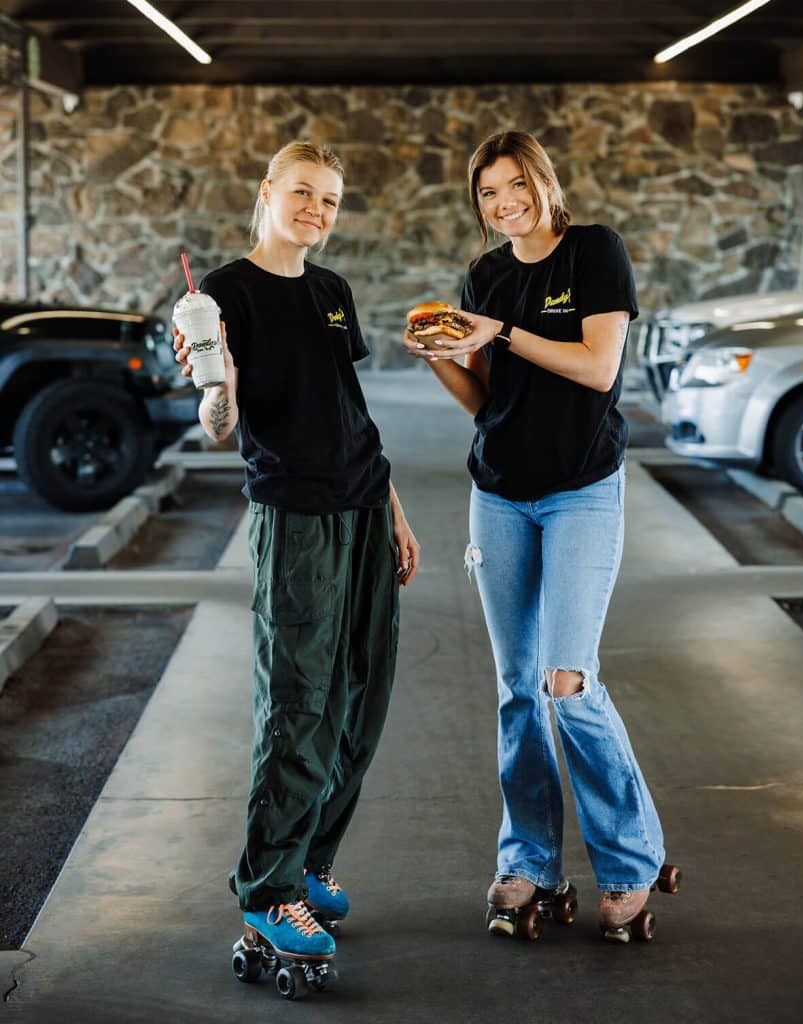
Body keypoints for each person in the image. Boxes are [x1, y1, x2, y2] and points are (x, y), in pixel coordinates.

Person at [402, 130, 667, 940]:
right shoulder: (484, 276)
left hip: (582, 491)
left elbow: (597, 367)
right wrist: (437, 356)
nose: (504, 201)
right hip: (500, 497)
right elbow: (488, 403)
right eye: (487, 192)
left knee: (568, 683)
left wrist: (502, 334)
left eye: (515, 184)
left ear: (544, 184)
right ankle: (529, 861)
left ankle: (630, 861)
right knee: (518, 687)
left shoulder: (595, 252)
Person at [174, 141, 420, 973]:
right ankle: (267, 887)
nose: (318, 209)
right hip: (297, 519)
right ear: (269, 192)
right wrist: (219, 391)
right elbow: (219, 428)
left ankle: (311, 860)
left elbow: (350, 408)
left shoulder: (331, 290)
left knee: (362, 695)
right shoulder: (222, 295)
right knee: (299, 703)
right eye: (305, 193)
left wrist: (393, 506)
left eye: (333, 200)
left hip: (362, 507)